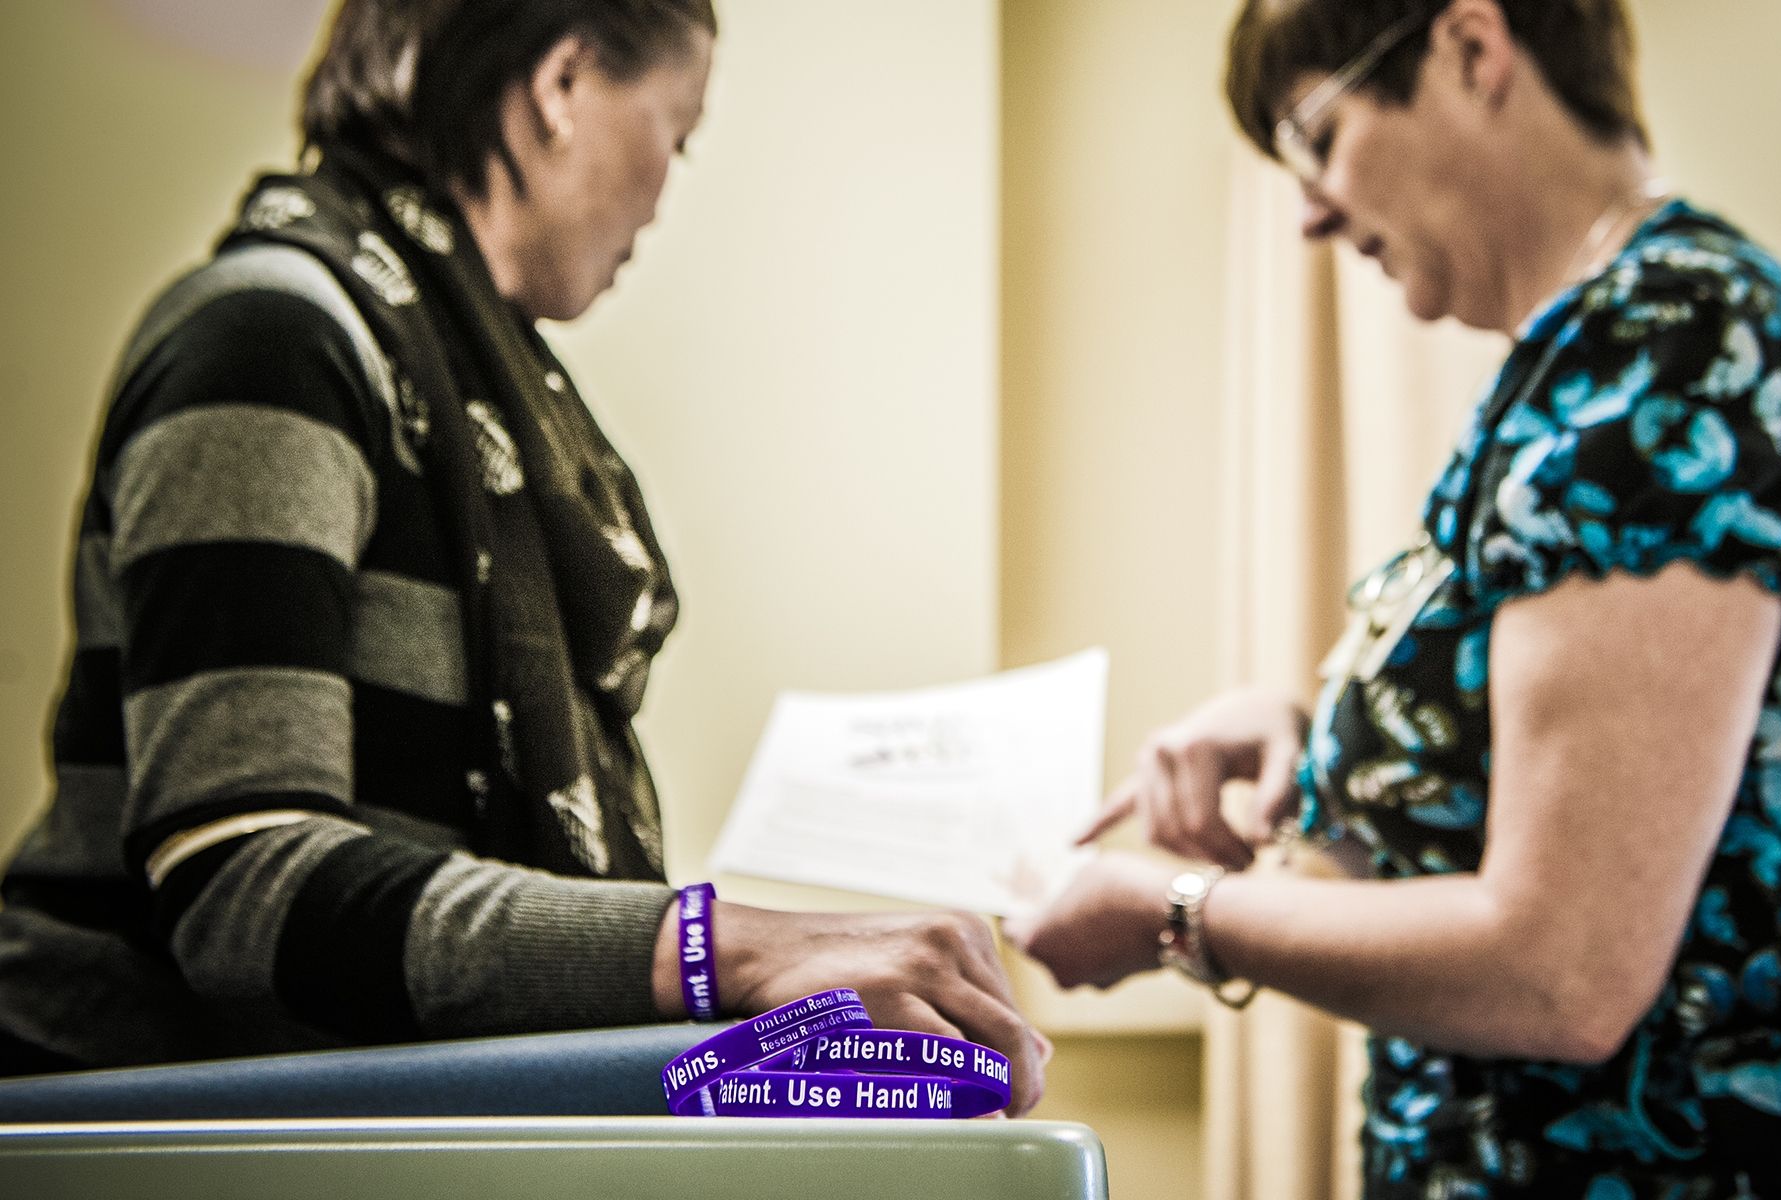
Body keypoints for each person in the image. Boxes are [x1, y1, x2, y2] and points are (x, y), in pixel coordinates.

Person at [0, 0, 1045, 1113]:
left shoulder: (469, 394)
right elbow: (241, 884)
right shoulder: (272, 339)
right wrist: (710, 946)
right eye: (675, 132)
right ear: (562, 84)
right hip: (132, 1125)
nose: (663, 190)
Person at [1009, 0, 1781, 1191]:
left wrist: (1173, 907)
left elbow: (1563, 966)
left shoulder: (1668, 344)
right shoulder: (1574, 365)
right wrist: (1316, 744)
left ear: (1473, 50)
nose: (1312, 211)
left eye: (1317, 137)